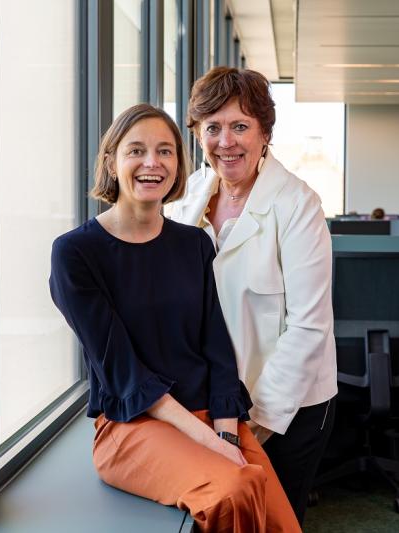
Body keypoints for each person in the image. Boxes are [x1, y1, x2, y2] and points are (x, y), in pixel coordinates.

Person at [49, 104, 300, 532]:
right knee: (234, 490)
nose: (153, 163)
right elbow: (125, 373)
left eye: (165, 151)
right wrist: (211, 444)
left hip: (208, 414)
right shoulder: (75, 252)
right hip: (134, 426)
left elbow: (217, 346)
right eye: (137, 151)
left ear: (179, 165)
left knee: (278, 520)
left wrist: (224, 430)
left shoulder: (194, 244)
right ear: (112, 161)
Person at [168, 67, 337, 525]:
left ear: (265, 133)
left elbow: (309, 326)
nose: (226, 141)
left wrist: (252, 421)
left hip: (289, 407)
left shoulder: (298, 205)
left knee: (274, 519)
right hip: (217, 407)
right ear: (197, 134)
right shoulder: (184, 205)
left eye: (240, 126)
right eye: (213, 128)